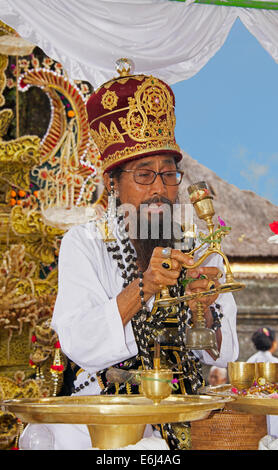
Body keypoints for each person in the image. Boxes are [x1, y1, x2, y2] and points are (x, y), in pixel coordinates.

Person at [21, 61, 238, 450]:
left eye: (169, 174)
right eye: (144, 174)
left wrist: (203, 308)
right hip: (101, 415)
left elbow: (221, 353)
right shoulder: (84, 242)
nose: (160, 189)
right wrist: (146, 286)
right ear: (113, 184)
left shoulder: (201, 251)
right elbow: (79, 341)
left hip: (182, 411)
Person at [247, 327, 278, 439]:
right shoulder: (275, 363)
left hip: (253, 409)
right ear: (273, 343)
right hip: (274, 411)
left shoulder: (249, 361)